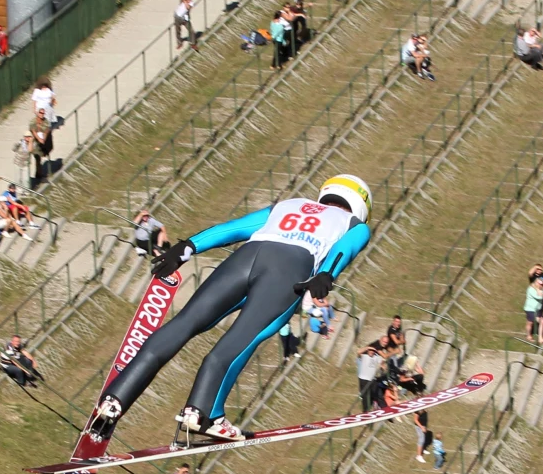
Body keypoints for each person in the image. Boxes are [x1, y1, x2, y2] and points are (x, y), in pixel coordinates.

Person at [88, 176, 372, 444]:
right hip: (289, 269)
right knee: (240, 339)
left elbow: (233, 228)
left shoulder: (290, 204)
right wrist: (326, 274)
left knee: (185, 322)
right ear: (361, 205)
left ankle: (115, 398)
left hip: (245, 258)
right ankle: (203, 412)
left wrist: (187, 247)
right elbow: (344, 248)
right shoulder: (354, 224)